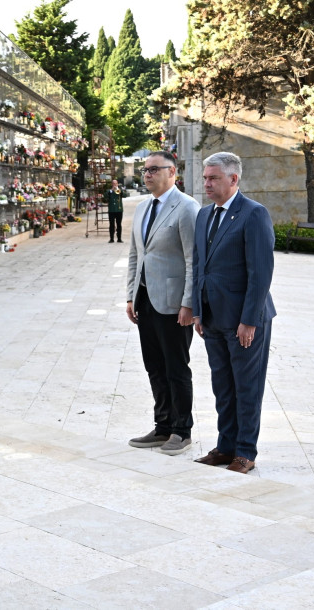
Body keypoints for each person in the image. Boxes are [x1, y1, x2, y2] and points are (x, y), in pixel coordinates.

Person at [192, 152, 276, 475]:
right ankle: (225, 447)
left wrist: (249, 320)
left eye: (213, 178)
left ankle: (245, 452)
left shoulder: (254, 214)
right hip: (212, 319)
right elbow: (200, 266)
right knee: (223, 388)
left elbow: (261, 273)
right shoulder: (203, 216)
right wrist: (198, 311)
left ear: (233, 179)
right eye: (205, 177)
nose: (207, 183)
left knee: (246, 387)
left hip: (244, 322)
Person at [126, 151, 200, 457]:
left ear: (172, 173)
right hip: (146, 301)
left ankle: (181, 431)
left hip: (174, 304)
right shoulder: (143, 209)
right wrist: (131, 295)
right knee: (154, 367)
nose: (147, 175)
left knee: (175, 368)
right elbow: (135, 255)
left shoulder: (186, 207)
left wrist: (189, 303)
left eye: (154, 169)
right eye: (145, 170)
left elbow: (193, 260)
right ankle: (162, 425)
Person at [105, 178, 125, 243]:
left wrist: (118, 189)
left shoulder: (119, 190)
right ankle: (111, 238)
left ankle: (119, 238)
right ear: (112, 184)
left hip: (119, 210)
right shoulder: (109, 191)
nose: (114, 185)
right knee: (111, 224)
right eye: (113, 184)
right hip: (111, 210)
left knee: (119, 224)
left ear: (117, 184)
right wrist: (111, 191)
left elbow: (124, 195)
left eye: (115, 183)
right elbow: (105, 197)